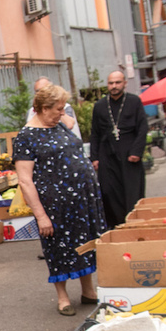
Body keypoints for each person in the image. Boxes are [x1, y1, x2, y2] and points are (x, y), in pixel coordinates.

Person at [14, 85, 105, 315]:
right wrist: (41, 215)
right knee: (59, 248)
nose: (62, 113)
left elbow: (71, 129)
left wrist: (62, 112)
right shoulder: (26, 137)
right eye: (58, 109)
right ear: (43, 109)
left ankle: (88, 290)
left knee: (86, 243)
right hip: (56, 206)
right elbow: (25, 181)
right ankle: (62, 297)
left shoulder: (58, 124)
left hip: (82, 200)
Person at [90, 70, 149, 228]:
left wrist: (137, 151)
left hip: (130, 152)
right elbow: (94, 133)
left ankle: (135, 225)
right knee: (109, 191)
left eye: (117, 82)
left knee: (132, 191)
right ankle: (117, 226)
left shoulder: (134, 101)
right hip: (106, 153)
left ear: (124, 83)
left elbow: (142, 128)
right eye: (111, 83)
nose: (114, 86)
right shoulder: (100, 105)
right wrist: (94, 157)